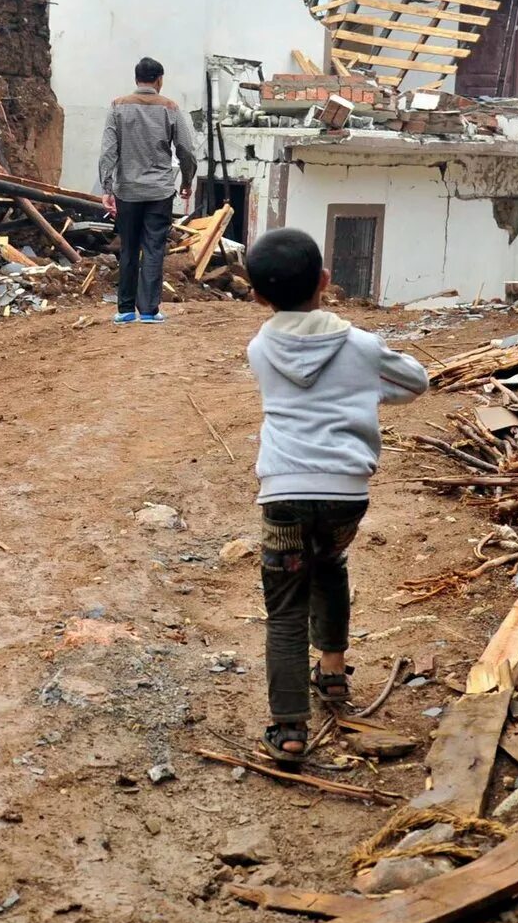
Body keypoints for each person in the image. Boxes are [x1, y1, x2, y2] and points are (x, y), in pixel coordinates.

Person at [243, 226, 429, 766]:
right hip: (346, 494)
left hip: (284, 493)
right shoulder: (361, 346)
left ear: (258, 295)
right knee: (330, 565)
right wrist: (366, 387)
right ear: (326, 280)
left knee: (283, 607)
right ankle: (331, 673)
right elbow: (415, 382)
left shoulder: (261, 347)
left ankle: (289, 729)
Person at [96, 57, 198, 324]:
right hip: (159, 192)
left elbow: (108, 151)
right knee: (153, 248)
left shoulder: (117, 106)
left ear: (136, 78)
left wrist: (107, 187)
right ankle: (150, 311)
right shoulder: (171, 108)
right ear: (159, 79)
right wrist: (187, 182)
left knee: (129, 247)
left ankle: (125, 309)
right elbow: (186, 150)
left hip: (127, 191)